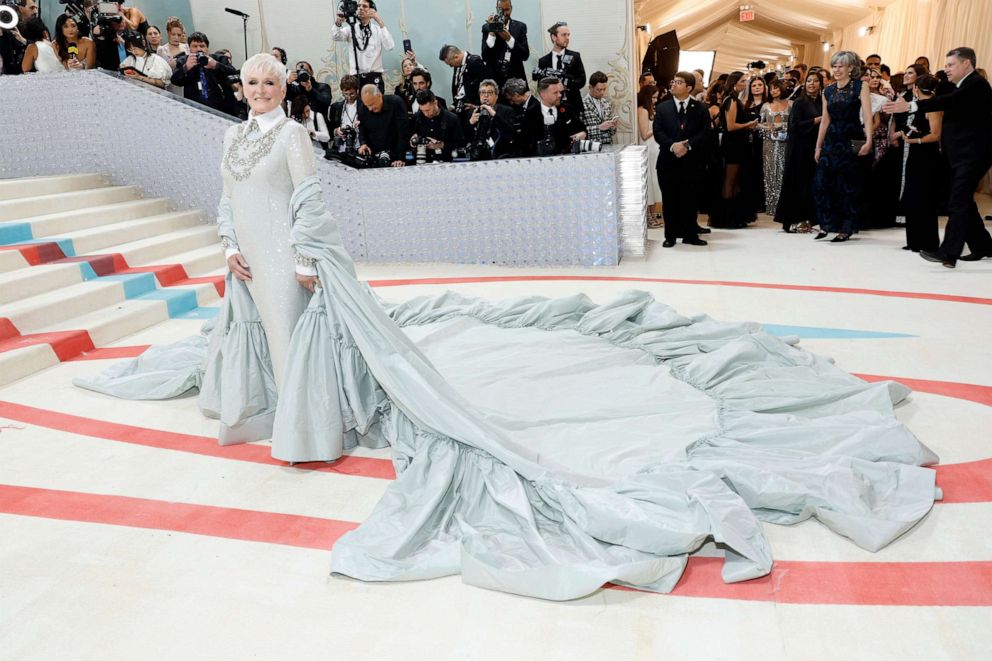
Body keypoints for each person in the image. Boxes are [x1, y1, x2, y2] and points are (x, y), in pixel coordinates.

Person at [885, 47, 992, 265]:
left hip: (972, 155)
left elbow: (945, 102)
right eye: (946, 65)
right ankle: (983, 246)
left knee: (957, 202)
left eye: (951, 64)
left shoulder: (976, 84)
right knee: (964, 202)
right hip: (961, 155)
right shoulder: (959, 86)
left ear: (967, 64)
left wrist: (913, 104)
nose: (947, 69)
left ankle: (948, 252)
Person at [813, 51, 874, 243]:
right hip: (831, 141)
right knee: (822, 183)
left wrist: (869, 140)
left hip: (851, 140)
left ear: (850, 68)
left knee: (848, 185)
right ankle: (826, 224)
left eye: (841, 66)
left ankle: (846, 227)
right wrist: (818, 147)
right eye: (835, 66)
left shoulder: (860, 86)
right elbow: (824, 121)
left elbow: (867, 114)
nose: (837, 70)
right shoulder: (828, 90)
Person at [653, 71, 710, 248]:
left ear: (689, 87)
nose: (673, 85)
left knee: (690, 199)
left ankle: (690, 235)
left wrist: (687, 145)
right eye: (673, 81)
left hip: (692, 162)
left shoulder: (700, 108)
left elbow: (705, 132)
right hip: (667, 162)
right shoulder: (663, 107)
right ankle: (670, 236)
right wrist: (673, 146)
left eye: (678, 82)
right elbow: (658, 132)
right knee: (669, 200)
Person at [891, 74, 942, 253]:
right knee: (913, 196)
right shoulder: (917, 106)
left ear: (916, 88)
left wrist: (915, 140)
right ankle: (914, 240)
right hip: (915, 154)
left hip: (927, 157)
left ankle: (927, 242)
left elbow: (936, 134)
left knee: (925, 199)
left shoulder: (933, 106)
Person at [775, 71, 824, 233]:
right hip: (799, 148)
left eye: (816, 81)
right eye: (809, 81)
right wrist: (816, 120)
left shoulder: (823, 102)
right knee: (798, 183)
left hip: (815, 147)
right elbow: (794, 126)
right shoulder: (799, 102)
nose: (812, 84)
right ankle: (793, 220)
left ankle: (809, 219)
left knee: (812, 184)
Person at [710, 72, 757, 229]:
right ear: (734, 83)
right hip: (734, 145)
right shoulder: (732, 101)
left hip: (738, 144)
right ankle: (726, 217)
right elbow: (731, 126)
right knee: (730, 181)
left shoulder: (733, 99)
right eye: (742, 81)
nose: (745, 84)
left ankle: (733, 216)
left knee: (735, 181)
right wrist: (749, 124)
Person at [332, 0, 394, 92]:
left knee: (375, 105)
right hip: (356, 77)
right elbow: (336, 37)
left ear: (372, 10)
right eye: (359, 6)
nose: (360, 8)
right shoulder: (351, 28)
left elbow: (390, 46)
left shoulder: (378, 30)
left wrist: (378, 20)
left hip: (374, 77)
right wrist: (338, 23)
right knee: (359, 106)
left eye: (364, 6)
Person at [171, 32, 239, 113]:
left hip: (221, 107)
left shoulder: (219, 59)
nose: (199, 49)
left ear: (207, 48)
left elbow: (234, 73)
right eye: (195, 46)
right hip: (195, 108)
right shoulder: (183, 61)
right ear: (189, 48)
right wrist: (186, 67)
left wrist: (216, 65)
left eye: (202, 46)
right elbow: (174, 80)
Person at [521, 77, 586, 156]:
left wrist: (582, 134)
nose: (559, 95)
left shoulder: (567, 109)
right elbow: (525, 143)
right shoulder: (531, 113)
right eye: (555, 92)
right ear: (543, 94)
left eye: (560, 92)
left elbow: (582, 129)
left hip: (567, 158)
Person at [534, 22, 585, 109]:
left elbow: (582, 80)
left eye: (568, 35)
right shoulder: (543, 61)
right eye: (564, 35)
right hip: (552, 106)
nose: (567, 38)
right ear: (554, 37)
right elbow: (540, 86)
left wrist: (566, 86)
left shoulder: (575, 56)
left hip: (573, 105)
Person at [480, 0, 528, 90]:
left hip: (516, 80)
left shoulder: (520, 27)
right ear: (497, 9)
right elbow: (485, 57)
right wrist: (492, 33)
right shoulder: (487, 27)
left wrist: (509, 39)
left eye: (507, 10)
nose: (505, 13)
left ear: (511, 9)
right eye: (501, 10)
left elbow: (525, 55)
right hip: (495, 80)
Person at [759, 79, 790, 217]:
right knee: (770, 172)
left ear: (782, 89)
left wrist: (782, 126)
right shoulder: (766, 106)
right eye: (771, 89)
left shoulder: (791, 104)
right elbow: (758, 124)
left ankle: (784, 206)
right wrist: (768, 128)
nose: (773, 91)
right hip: (769, 142)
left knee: (784, 171)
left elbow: (795, 123)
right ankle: (771, 206)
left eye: (776, 88)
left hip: (786, 142)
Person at [357, 84, 409, 166]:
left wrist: (400, 158)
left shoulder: (396, 103)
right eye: (367, 106)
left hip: (395, 157)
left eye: (372, 104)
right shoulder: (363, 109)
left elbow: (403, 132)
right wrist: (363, 143)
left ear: (379, 95)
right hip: (374, 157)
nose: (370, 109)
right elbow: (362, 129)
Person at [410, 90, 466, 162]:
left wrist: (441, 145)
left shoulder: (452, 119)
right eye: (422, 110)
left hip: (447, 162)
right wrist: (413, 141)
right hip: (422, 162)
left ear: (435, 103)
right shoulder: (417, 118)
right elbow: (409, 141)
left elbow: (461, 145)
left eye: (428, 110)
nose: (426, 114)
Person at [466, 79, 515, 158]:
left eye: (489, 92)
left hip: (500, 154)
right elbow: (465, 138)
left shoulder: (507, 111)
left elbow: (510, 133)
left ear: (496, 96)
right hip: (478, 155)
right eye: (483, 92)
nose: (485, 96)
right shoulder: (473, 112)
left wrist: (494, 115)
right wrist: (470, 123)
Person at [438, 44, 491, 117]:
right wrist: (454, 105)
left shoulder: (474, 62)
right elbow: (459, 87)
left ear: (456, 57)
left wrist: (477, 105)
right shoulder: (458, 65)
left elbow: (488, 84)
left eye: (451, 64)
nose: (451, 66)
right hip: (460, 106)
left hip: (473, 108)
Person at [637, 84, 663, 227]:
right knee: (649, 182)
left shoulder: (649, 110)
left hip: (654, 148)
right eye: (653, 97)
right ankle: (649, 217)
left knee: (654, 182)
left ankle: (652, 216)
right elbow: (644, 134)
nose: (655, 100)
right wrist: (658, 127)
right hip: (647, 148)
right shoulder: (643, 111)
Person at [0, 0, 38, 75]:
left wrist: (23, 40)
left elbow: (40, 47)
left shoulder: (37, 26)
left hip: (31, 72)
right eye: (32, 8)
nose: (35, 11)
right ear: (21, 8)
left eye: (36, 8)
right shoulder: (10, 29)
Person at [580, 71, 618, 145]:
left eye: (604, 89)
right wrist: (599, 127)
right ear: (590, 87)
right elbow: (579, 133)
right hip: (591, 148)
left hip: (608, 146)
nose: (602, 93)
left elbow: (612, 133)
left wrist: (613, 126)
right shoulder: (582, 104)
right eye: (599, 90)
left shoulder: (607, 103)